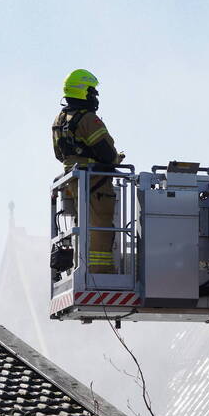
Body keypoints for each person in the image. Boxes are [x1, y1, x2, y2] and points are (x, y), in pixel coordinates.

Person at [52, 69, 122, 274]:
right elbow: (107, 154)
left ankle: (80, 267)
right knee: (100, 223)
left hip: (72, 179)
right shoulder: (88, 119)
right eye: (92, 92)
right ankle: (100, 271)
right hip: (95, 182)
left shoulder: (60, 119)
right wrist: (114, 159)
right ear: (83, 91)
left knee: (81, 224)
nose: (94, 96)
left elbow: (59, 154)